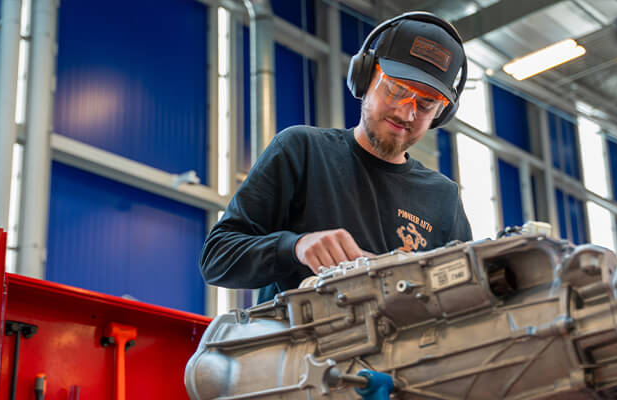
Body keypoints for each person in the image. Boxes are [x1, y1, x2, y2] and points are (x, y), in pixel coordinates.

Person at [200, 12, 472, 303]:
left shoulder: (444, 199)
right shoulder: (303, 151)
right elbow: (217, 258)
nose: (407, 113)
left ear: (441, 114)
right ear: (365, 77)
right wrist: (295, 247)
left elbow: (466, 299)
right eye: (396, 89)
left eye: (426, 103)